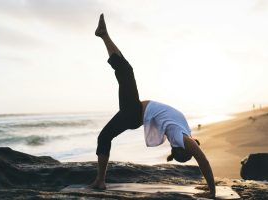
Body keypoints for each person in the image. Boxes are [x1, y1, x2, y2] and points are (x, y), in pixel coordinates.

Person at [91, 14, 216, 198]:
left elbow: (203, 160)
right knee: (124, 74)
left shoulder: (181, 138)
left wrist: (212, 192)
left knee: (125, 71)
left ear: (181, 148)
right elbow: (198, 157)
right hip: (134, 112)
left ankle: (100, 180)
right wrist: (209, 188)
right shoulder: (183, 135)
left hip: (134, 113)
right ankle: (100, 180)